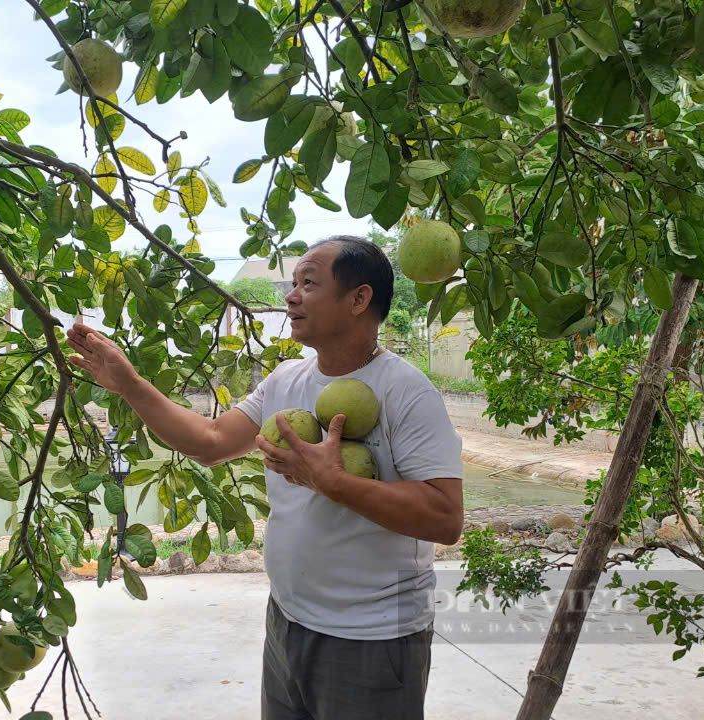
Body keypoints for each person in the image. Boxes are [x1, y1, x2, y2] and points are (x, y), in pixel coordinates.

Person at [66, 235, 465, 720]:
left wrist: (333, 483)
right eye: (292, 283)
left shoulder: (406, 392)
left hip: (373, 637)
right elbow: (211, 442)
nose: (291, 296)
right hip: (289, 623)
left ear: (359, 299)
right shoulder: (285, 381)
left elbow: (445, 518)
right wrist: (130, 384)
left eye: (309, 283)